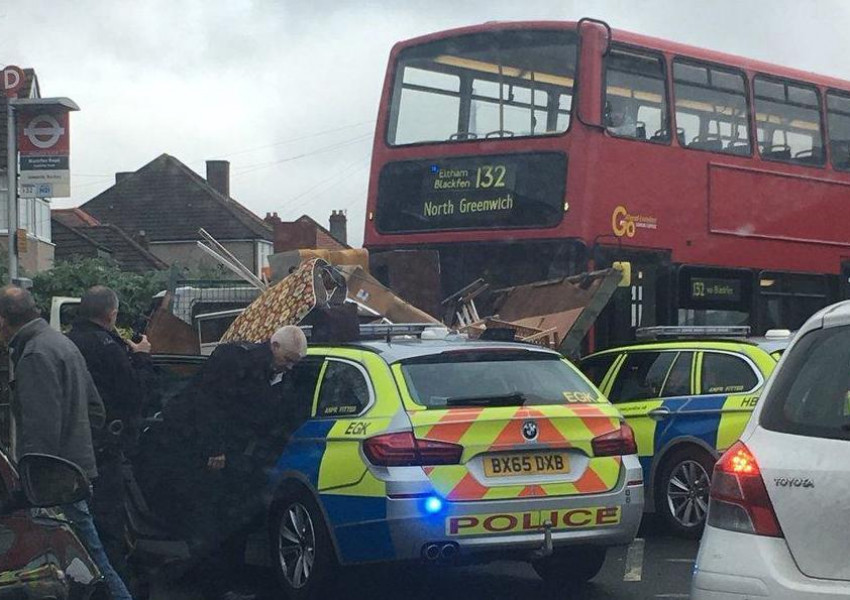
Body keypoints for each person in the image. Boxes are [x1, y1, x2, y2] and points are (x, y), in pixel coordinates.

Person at [142, 325, 309, 600]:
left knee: (231, 521)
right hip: (204, 450)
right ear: (274, 346)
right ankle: (211, 584)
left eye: (294, 363)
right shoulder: (234, 360)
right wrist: (214, 449)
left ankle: (222, 582)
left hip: (240, 457)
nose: (289, 367)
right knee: (212, 520)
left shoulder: (275, 373)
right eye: (288, 360)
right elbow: (209, 406)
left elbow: (272, 415)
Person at [0, 286, 133, 600]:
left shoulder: (33, 355)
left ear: (3, 320)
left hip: (52, 483)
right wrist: (78, 445)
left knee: (91, 566)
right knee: (87, 562)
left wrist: (28, 488)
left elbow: (40, 432)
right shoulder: (61, 344)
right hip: (77, 473)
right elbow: (96, 411)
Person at [67, 286, 155, 590]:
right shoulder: (107, 347)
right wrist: (142, 358)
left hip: (71, 449)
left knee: (78, 526)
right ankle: (115, 588)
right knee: (110, 529)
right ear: (111, 313)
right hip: (106, 452)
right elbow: (135, 395)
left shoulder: (68, 342)